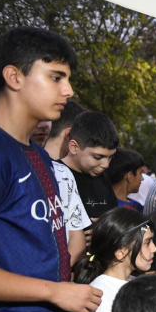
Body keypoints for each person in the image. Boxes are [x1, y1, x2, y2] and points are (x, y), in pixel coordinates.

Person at [0, 27, 103, 312]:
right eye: (56, 77)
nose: (68, 90)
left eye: (68, 78)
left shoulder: (38, 155)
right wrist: (55, 291)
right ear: (14, 77)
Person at [31, 113, 90, 265]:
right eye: (35, 116)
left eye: (48, 119)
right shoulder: (1, 164)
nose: (44, 125)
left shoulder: (62, 173)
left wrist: (62, 273)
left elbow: (76, 235)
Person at [61, 111, 119, 223]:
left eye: (111, 157)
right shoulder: (54, 175)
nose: (106, 165)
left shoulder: (103, 179)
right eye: (98, 157)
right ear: (74, 147)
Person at [107, 148, 145, 213]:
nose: (142, 178)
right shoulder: (136, 208)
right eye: (140, 173)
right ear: (130, 176)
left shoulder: (102, 204)